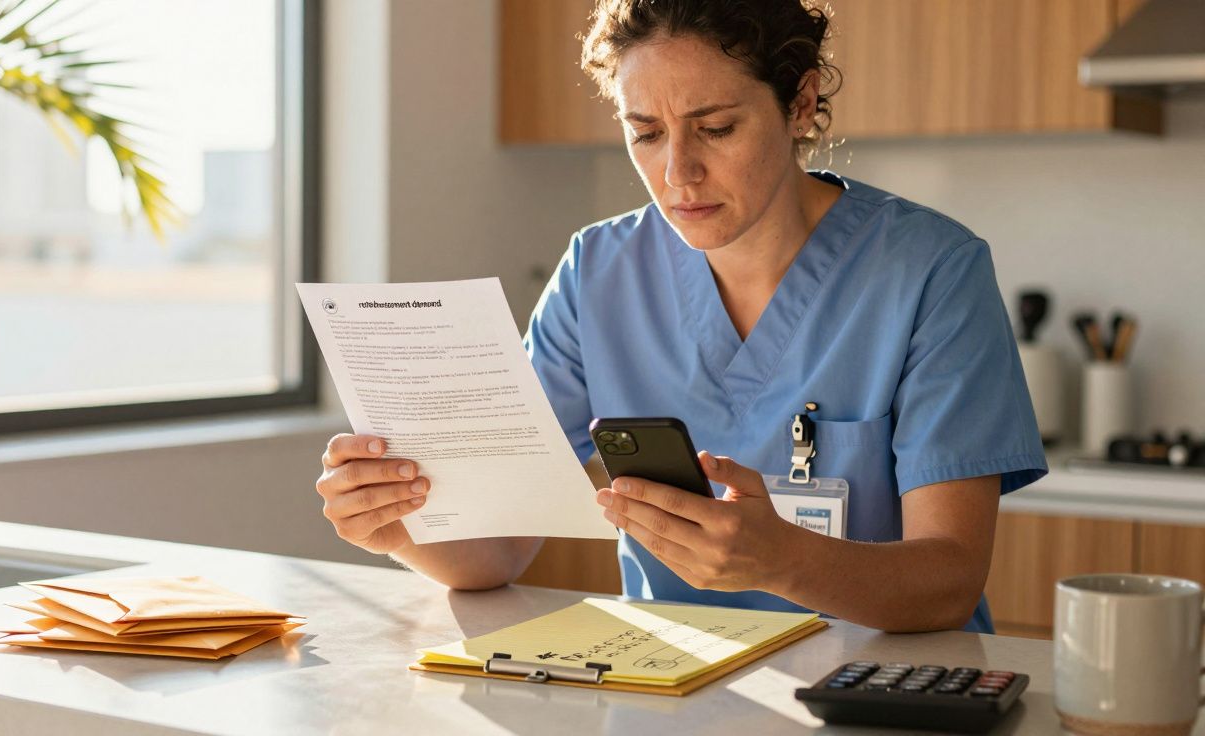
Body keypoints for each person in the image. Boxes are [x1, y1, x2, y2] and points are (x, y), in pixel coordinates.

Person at [315, 0, 1047, 633]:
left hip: (882, 696)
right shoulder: (597, 273)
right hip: (676, 697)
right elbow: (495, 553)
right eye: (646, 132)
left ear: (799, 104)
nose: (678, 173)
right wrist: (396, 524)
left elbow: (949, 580)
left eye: (717, 128)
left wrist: (785, 561)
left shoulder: (930, 271)